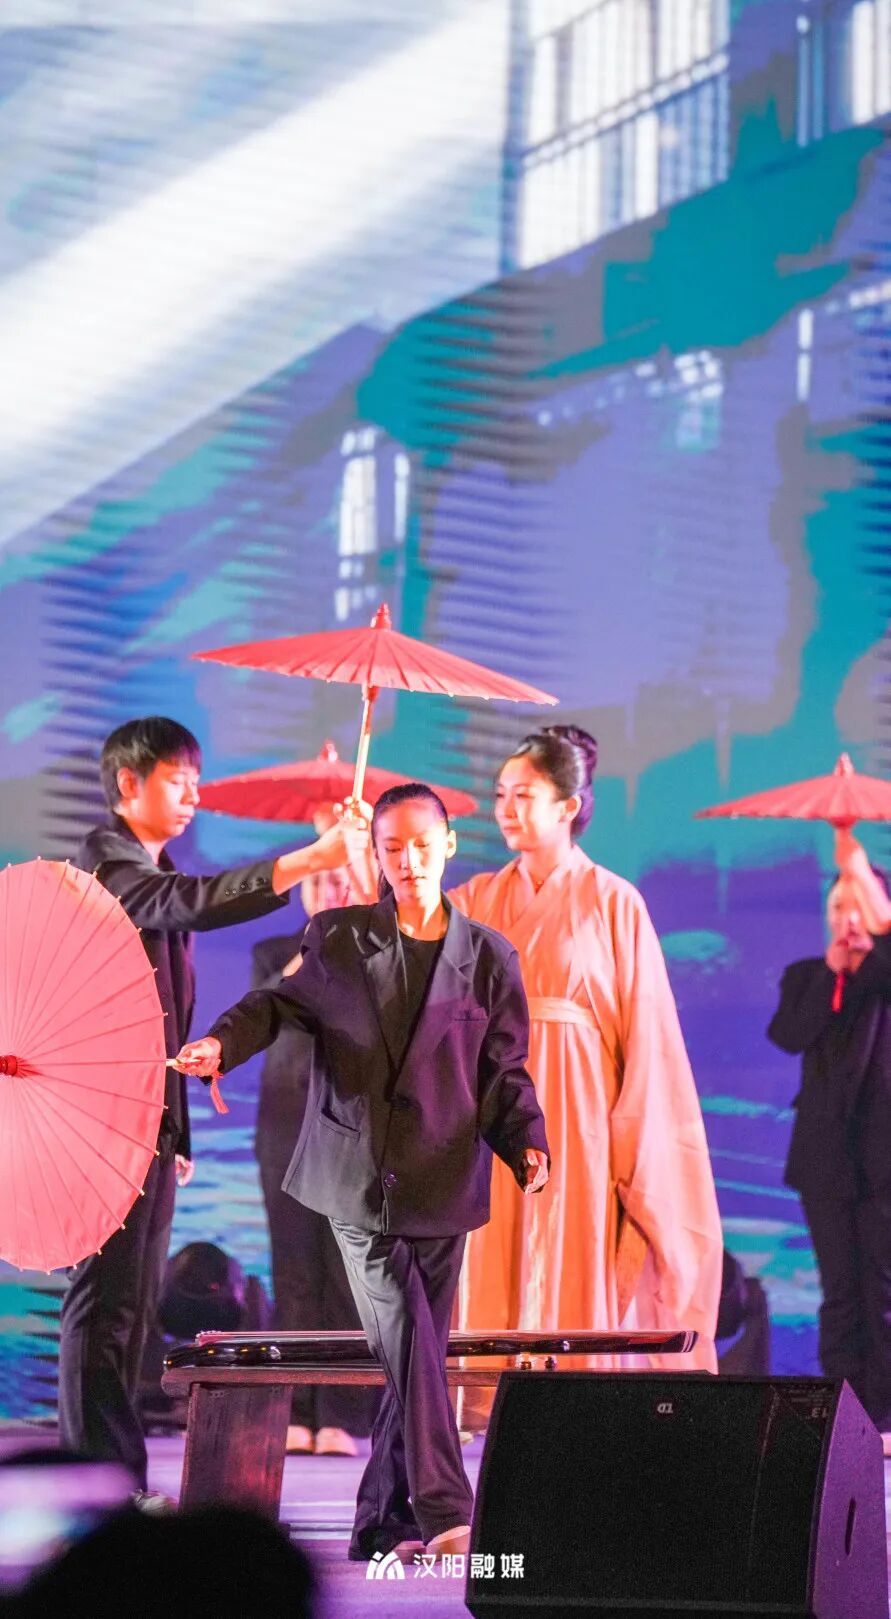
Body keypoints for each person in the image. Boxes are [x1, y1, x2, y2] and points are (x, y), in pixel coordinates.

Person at [175, 782, 549, 1562]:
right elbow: (274, 1005)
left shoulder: (488, 955)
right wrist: (220, 1044)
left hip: (443, 1176)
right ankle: (446, 1507)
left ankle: (379, 1518)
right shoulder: (341, 935)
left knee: (414, 1352)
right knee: (410, 1335)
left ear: (448, 846)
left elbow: (503, 1068)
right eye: (392, 847)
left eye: (422, 845)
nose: (408, 860)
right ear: (374, 854)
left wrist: (526, 1142)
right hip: (355, 1174)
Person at [58, 716, 363, 1505]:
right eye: (177, 778)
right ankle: (92, 1480)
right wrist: (310, 857)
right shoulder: (106, 860)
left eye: (197, 779)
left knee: (131, 1308)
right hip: (103, 1120)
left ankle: (117, 1482)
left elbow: (161, 1020)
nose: (193, 794)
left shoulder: (153, 867)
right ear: (128, 783)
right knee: (102, 1306)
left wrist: (177, 1128)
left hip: (147, 1119)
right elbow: (183, 904)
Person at [447, 724, 723, 1422]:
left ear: (568, 805)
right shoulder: (473, 898)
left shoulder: (613, 900)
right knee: (495, 1245)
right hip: (495, 1102)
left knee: (574, 1247)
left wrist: (638, 1143)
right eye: (501, 795)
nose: (506, 809)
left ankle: (575, 1417)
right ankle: (496, 1413)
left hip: (579, 1111)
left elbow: (648, 1036)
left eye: (524, 795)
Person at [252, 803, 379, 1458]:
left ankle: (343, 1412)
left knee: (344, 1268)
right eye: (319, 879)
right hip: (283, 1125)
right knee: (293, 1266)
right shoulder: (275, 953)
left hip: (350, 1129)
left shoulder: (371, 950)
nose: (328, 889)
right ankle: (294, 1407)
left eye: (339, 879)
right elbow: (268, 1014)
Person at [768, 827, 891, 1438]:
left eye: (857, 905)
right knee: (839, 1292)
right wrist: (832, 976)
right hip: (825, 1162)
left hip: (884, 1160)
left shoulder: (886, 975)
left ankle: (885, 1415)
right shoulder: (807, 976)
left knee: (882, 1289)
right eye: (837, 906)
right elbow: (787, 1034)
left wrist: (856, 863)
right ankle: (845, 1418)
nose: (848, 918)